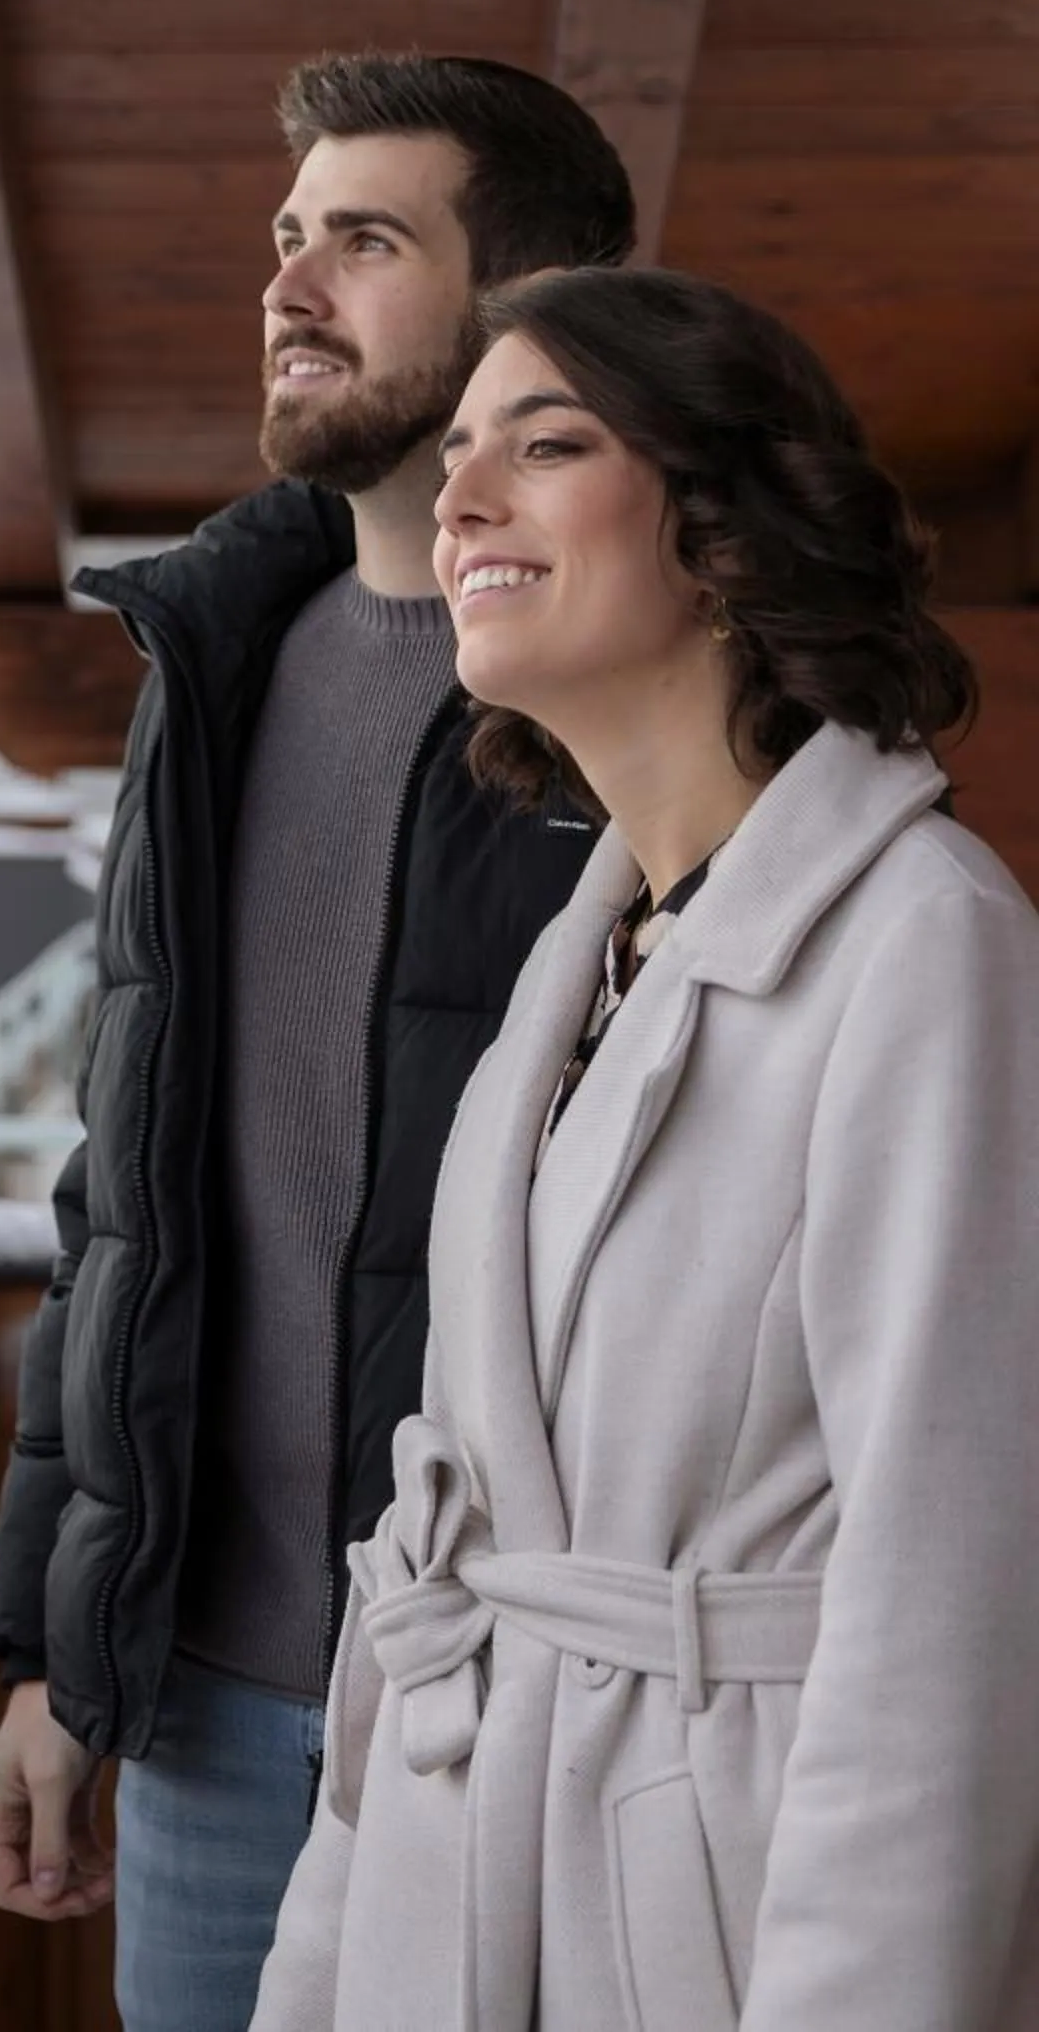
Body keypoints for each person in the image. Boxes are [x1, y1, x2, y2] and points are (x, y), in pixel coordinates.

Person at [256, 264, 1039, 2032]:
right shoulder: (580, 957)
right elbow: (437, 1552)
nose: (457, 499)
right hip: (454, 1861)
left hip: (716, 1913)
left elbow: (952, 1621)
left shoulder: (926, 947)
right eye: (455, 452)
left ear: (725, 531)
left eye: (544, 446)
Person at [0, 54, 637, 2032]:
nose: (290, 286)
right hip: (205, 1715)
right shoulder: (210, 662)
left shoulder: (635, 697)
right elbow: (123, 1198)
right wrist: (52, 1655)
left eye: (365, 240)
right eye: (286, 237)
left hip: (525, 1722)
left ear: (528, 308)